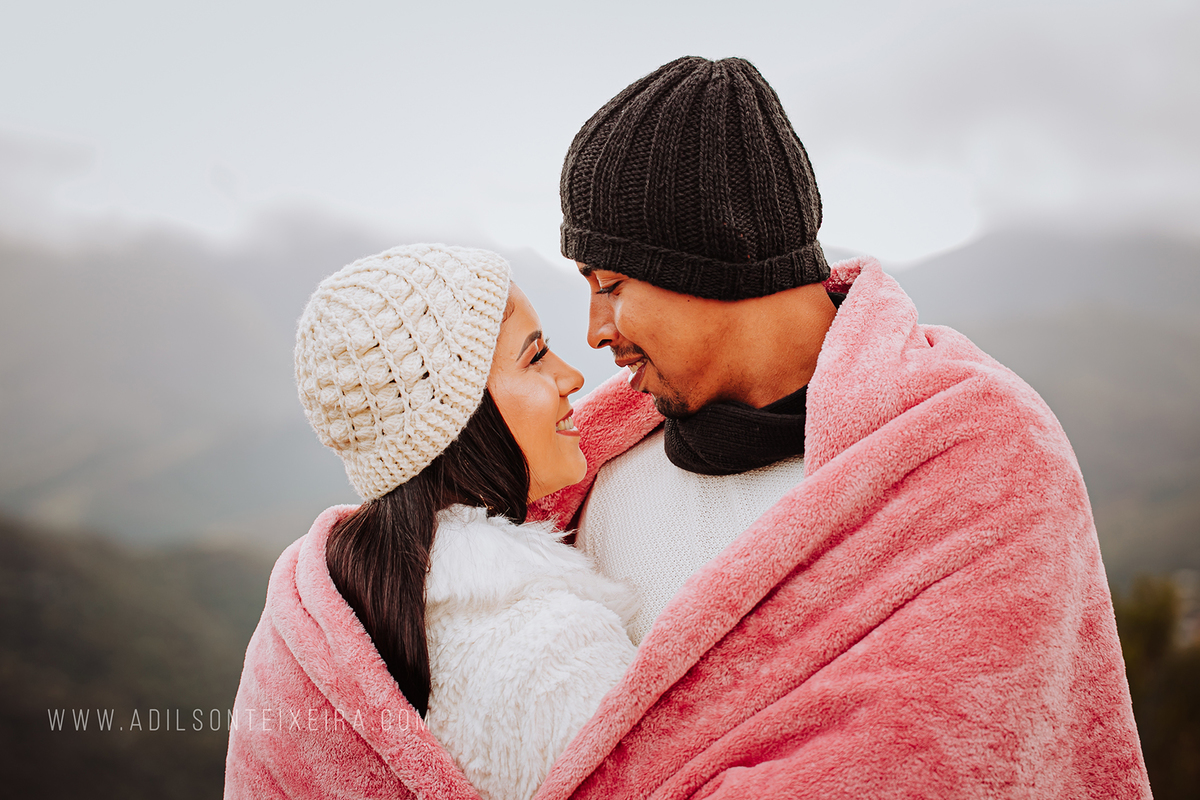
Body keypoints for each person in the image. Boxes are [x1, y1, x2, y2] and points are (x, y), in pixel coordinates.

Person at [524, 57, 1152, 798]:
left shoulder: (984, 460)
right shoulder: (589, 490)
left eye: (611, 286)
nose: (596, 332)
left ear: (712, 258)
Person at [223, 244, 638, 800]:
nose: (571, 377)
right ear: (457, 416)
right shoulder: (555, 654)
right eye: (535, 357)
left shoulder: (333, 612)